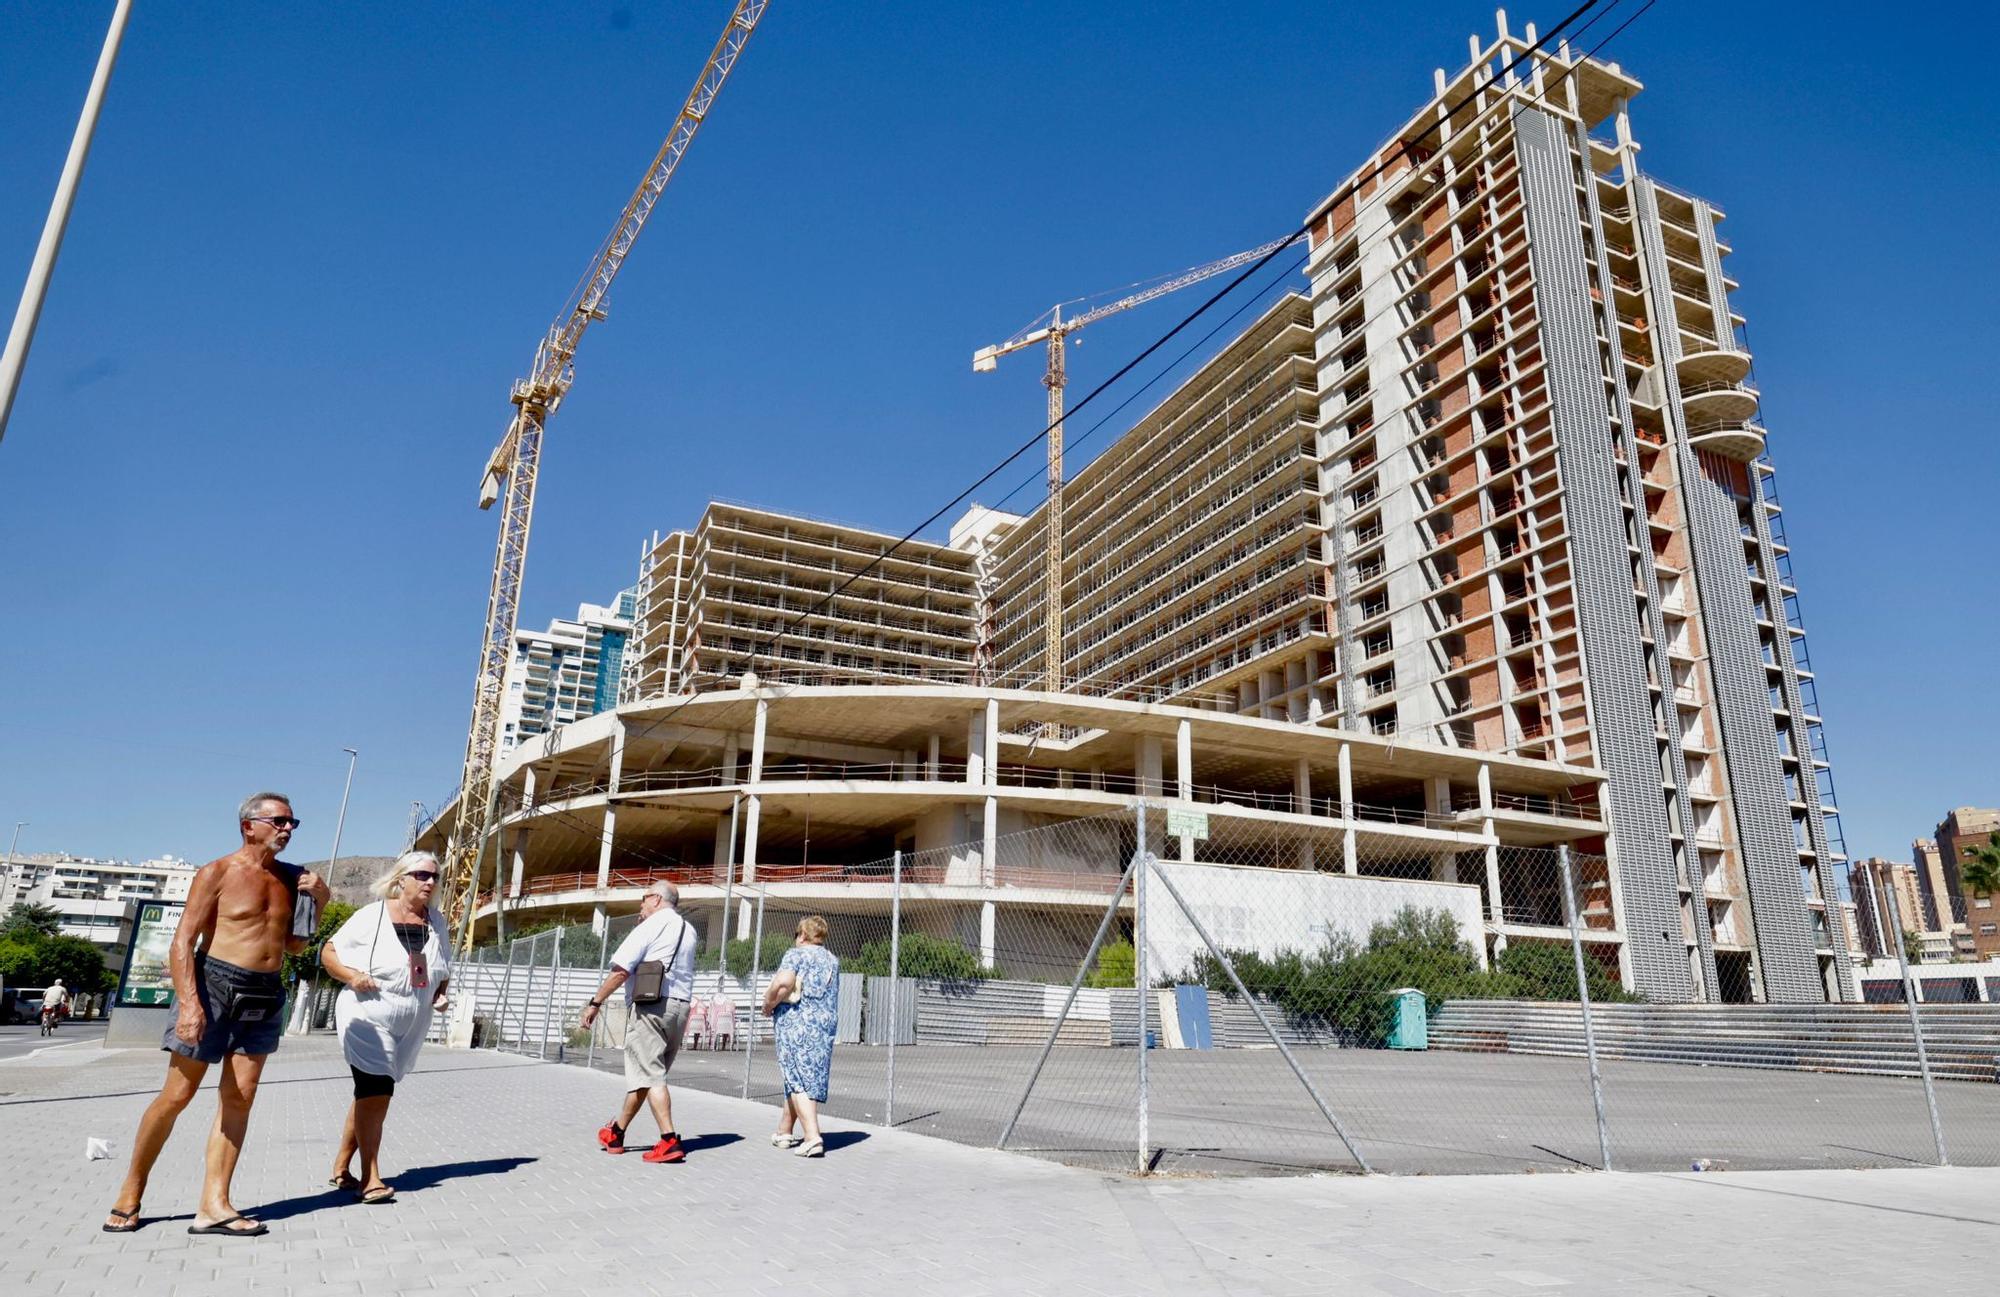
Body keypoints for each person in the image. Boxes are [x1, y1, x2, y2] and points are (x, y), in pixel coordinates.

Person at [103, 793, 330, 1236]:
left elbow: (296, 946)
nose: (288, 829)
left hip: (264, 991)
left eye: (292, 822)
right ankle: (131, 1189)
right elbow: (183, 941)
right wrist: (189, 1004)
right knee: (177, 1096)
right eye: (279, 821)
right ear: (249, 825)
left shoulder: (295, 879)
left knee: (239, 1098)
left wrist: (319, 902)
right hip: (214, 986)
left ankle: (214, 1205)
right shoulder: (218, 872)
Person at [320, 852, 452, 1204]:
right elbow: (329, 952)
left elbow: (442, 968)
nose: (430, 882)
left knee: (369, 1095)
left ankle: (340, 1167)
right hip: (368, 1014)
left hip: (411, 1023)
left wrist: (440, 994)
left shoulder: (436, 922)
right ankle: (371, 1178)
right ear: (401, 878)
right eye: (422, 875)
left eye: (435, 877)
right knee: (377, 1091)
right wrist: (351, 975)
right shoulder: (372, 915)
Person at [580, 881, 697, 1163]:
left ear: (656, 899)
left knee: (651, 1075)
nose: (640, 905)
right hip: (679, 1007)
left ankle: (669, 1140)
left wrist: (595, 1003)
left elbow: (621, 970)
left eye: (644, 898)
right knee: (647, 1075)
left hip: (651, 1006)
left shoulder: (650, 926)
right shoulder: (689, 930)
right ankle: (616, 1132)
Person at [764, 915, 840, 1158]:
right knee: (801, 1076)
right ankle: (784, 1131)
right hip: (823, 1024)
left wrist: (769, 1003)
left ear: (803, 935)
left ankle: (812, 1137)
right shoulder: (832, 960)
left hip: (796, 1024)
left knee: (798, 1079)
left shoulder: (796, 954)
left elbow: (784, 982)